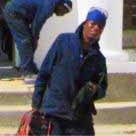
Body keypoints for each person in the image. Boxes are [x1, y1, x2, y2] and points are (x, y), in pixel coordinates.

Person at [31, 7, 108, 135]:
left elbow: (103, 88)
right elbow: (44, 73)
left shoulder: (99, 59)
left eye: (100, 27)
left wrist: (94, 90)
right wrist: (36, 105)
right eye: (93, 24)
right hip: (54, 114)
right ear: (85, 24)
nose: (95, 28)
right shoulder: (63, 41)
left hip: (80, 118)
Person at [3, 0, 73, 75]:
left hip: (18, 13)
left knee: (28, 41)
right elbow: (36, 25)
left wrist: (34, 39)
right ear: (61, 5)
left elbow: (35, 25)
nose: (63, 14)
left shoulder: (49, 4)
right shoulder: (48, 7)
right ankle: (27, 70)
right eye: (65, 11)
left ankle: (28, 67)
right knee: (25, 41)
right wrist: (35, 39)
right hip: (14, 12)